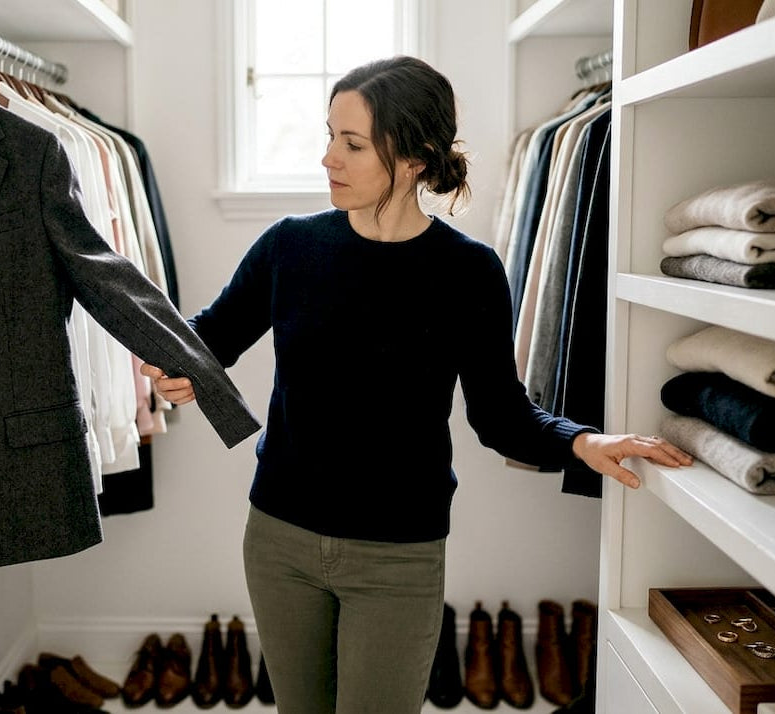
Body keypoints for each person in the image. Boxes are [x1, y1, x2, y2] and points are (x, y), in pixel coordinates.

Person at [140, 55, 691, 713]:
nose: (327, 158)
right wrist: (179, 366)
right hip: (279, 540)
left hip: (398, 557)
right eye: (328, 136)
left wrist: (581, 442)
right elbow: (213, 337)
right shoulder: (289, 248)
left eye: (351, 143)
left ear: (414, 158)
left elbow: (500, 415)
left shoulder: (468, 273)